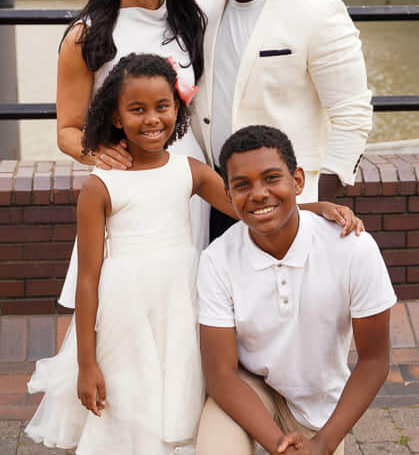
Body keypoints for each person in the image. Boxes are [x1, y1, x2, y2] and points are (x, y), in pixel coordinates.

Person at [25, 56, 359, 454]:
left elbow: (250, 209)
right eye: (137, 109)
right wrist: (86, 362)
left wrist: (315, 208)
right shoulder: (101, 187)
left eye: (162, 106)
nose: (152, 119)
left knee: (179, 395)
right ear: (116, 117)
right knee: (128, 401)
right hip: (125, 311)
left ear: (177, 109)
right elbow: (87, 278)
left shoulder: (190, 170)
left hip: (182, 302)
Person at [197, 125, 396, 455]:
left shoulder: (353, 248)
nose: (258, 193)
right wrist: (279, 446)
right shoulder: (217, 260)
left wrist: (322, 445)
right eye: (242, 185)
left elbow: (374, 360)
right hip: (251, 387)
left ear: (298, 181)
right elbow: (221, 374)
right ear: (228, 196)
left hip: (321, 407)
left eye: (271, 178)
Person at [191, 0, 373, 239]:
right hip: (216, 201)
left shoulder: (319, 11)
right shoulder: (201, 4)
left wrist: (310, 207)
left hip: (288, 207)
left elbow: (352, 117)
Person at [57, 0, 209, 309]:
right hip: (126, 187)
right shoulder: (86, 36)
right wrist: (99, 154)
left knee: (182, 303)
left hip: (185, 187)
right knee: (119, 304)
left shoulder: (190, 24)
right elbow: (66, 131)